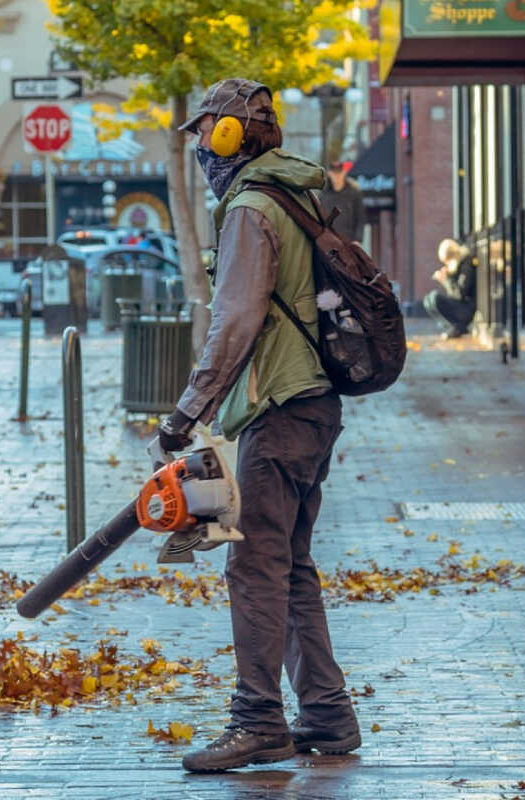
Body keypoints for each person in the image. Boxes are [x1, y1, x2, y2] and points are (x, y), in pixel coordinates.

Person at [159, 77, 361, 773]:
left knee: (253, 567)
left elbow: (236, 318)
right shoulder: (291, 192)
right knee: (289, 563)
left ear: (227, 134)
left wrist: (189, 409)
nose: (199, 152)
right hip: (314, 406)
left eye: (204, 134)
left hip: (281, 410)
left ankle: (258, 723)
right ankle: (328, 715)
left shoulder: (250, 207)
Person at [423, 238, 477, 339]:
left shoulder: (466, 264)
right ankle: (453, 327)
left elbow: (460, 293)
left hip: (467, 308)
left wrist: (445, 279)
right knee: (428, 300)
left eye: (446, 261)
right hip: (462, 306)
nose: (446, 264)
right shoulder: (458, 266)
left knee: (435, 297)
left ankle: (458, 327)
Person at [318, 160, 367, 244]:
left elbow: (360, 219)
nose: (337, 176)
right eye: (334, 173)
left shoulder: (354, 193)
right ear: (329, 173)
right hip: (328, 242)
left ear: (344, 173)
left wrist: (357, 240)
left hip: (348, 243)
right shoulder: (323, 195)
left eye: (339, 172)